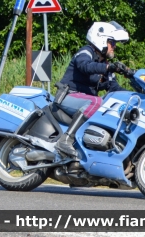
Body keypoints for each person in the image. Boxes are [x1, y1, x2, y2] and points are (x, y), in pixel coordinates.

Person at [54, 21, 132, 160]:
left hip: (82, 101)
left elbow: (113, 87)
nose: (114, 47)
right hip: (68, 96)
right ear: (101, 39)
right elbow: (85, 66)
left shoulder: (104, 64)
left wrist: (135, 95)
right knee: (97, 102)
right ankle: (65, 140)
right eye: (112, 43)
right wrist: (109, 68)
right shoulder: (86, 51)